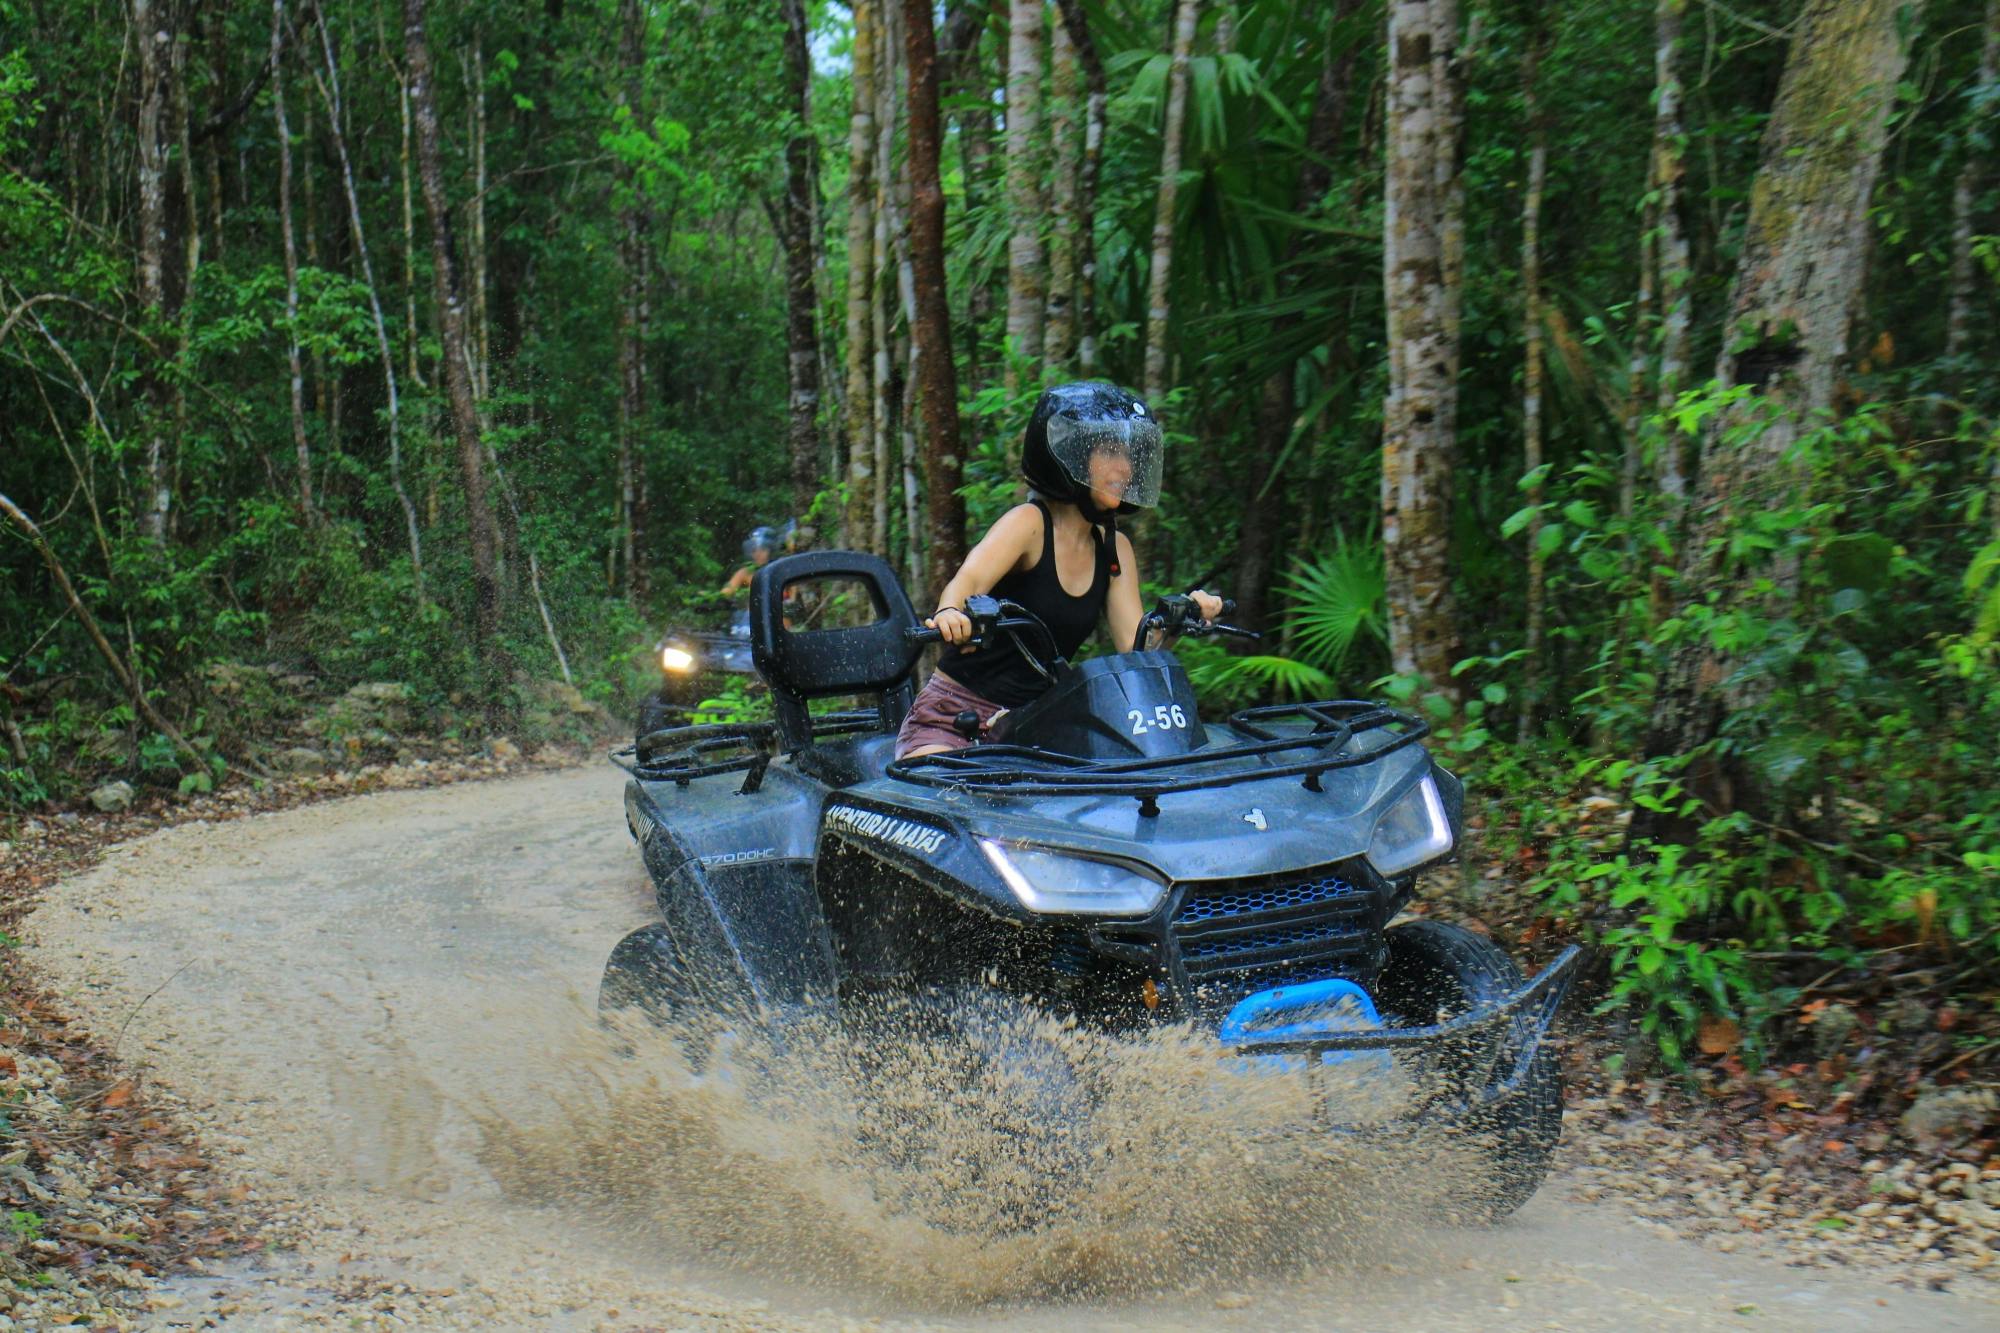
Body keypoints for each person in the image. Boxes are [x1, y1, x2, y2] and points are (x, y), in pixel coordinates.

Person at [895, 382, 1222, 758]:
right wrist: (951, 612)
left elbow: (1136, 648)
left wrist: (1182, 617)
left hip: (1034, 725)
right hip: (954, 716)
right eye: (1111, 452)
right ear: (1071, 457)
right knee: (951, 796)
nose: (1125, 467)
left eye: (1129, 454)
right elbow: (967, 581)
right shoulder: (1029, 524)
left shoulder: (1115, 548)